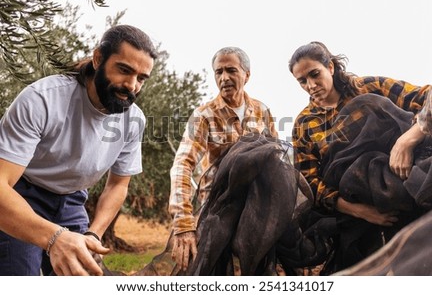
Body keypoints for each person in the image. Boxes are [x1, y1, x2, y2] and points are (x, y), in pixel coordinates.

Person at [0, 25, 158, 276]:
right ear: (98, 59)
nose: (131, 85)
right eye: (124, 70)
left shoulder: (134, 120)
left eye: (141, 78)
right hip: (21, 195)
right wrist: (54, 238)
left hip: (73, 201)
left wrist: (94, 233)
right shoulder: (42, 100)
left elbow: (118, 185)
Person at [288, 41, 432, 270]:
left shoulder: (369, 88)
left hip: (409, 195)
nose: (311, 85)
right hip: (357, 221)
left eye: (315, 74)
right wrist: (361, 211)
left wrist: (407, 140)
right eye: (302, 81)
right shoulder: (304, 124)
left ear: (331, 67)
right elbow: (309, 182)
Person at [169, 46, 278, 272]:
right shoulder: (204, 115)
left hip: (256, 207)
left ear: (247, 75)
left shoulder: (262, 111)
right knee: (210, 272)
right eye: (218, 72)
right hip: (217, 208)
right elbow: (183, 165)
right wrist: (183, 223)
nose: (224, 78)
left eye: (231, 70)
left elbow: (276, 160)